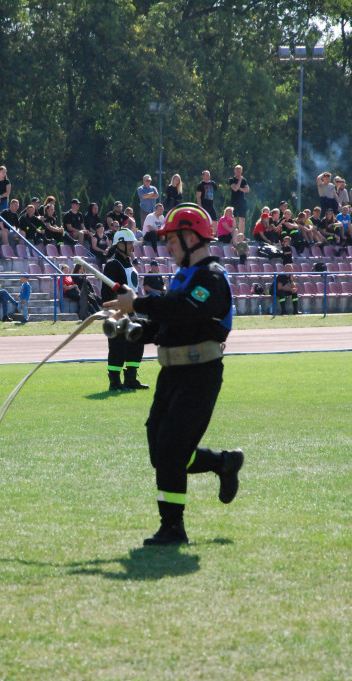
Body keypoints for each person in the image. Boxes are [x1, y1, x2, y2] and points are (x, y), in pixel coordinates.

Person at [103, 203, 243, 546]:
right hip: (173, 374)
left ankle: (173, 527)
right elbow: (169, 324)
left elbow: (181, 313)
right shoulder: (185, 277)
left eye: (173, 240)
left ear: (192, 237)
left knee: (170, 449)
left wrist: (137, 304)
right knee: (161, 451)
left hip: (200, 374)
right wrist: (132, 328)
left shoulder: (211, 278)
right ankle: (223, 463)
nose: (167, 246)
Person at [101, 228, 148, 391]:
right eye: (129, 243)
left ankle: (131, 378)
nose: (132, 247)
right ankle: (114, 381)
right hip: (117, 312)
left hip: (130, 310)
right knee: (118, 346)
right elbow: (109, 293)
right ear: (120, 244)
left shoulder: (128, 262)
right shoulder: (113, 265)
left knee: (137, 339)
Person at [228, 165, 249, 234]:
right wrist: (240, 180)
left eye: (240, 171)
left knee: (242, 219)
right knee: (233, 218)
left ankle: (241, 235)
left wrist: (240, 189)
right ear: (234, 171)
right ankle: (233, 234)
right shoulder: (232, 180)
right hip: (234, 201)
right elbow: (235, 188)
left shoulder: (244, 180)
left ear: (241, 171)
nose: (238, 172)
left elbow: (247, 190)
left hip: (242, 201)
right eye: (237, 171)